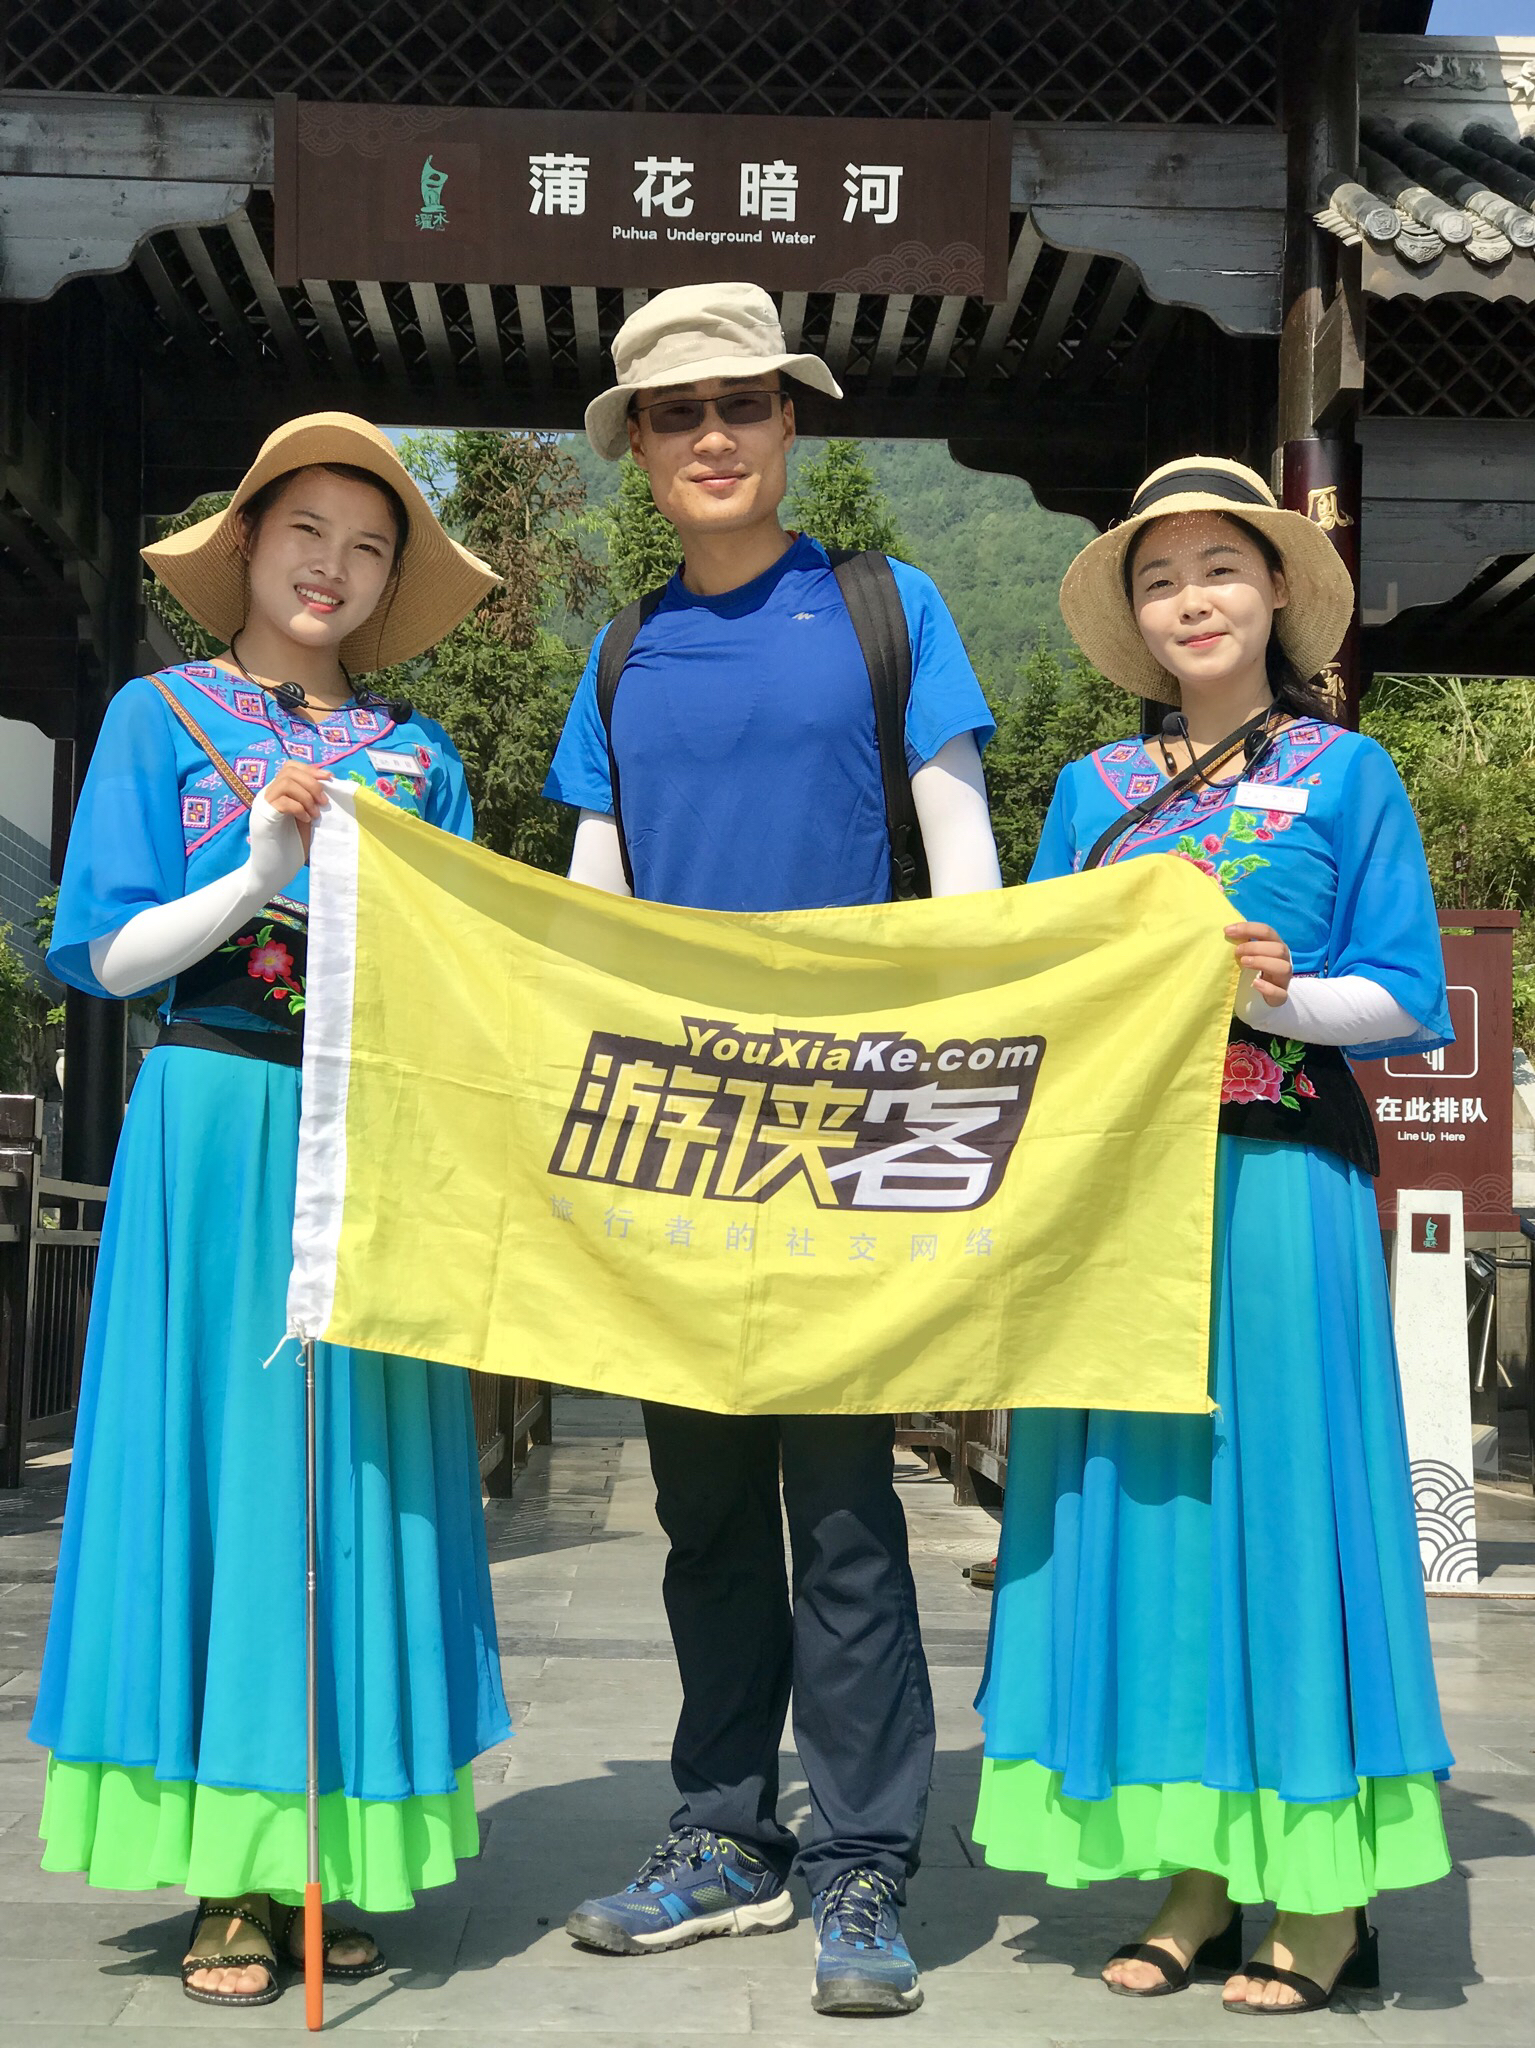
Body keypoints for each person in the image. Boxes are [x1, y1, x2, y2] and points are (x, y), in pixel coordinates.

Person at [545, 282, 1002, 2018]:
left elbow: (965, 877)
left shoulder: (889, 608)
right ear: (641, 452)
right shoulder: (621, 653)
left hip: (850, 1125)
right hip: (679, 1136)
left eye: (743, 403)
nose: (714, 436)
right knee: (706, 1511)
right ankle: (723, 1832)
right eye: (678, 414)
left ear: (791, 424)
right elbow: (592, 912)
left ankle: (864, 1856)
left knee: (849, 1507)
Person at [31, 414, 511, 2011]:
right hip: (214, 1120)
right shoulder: (158, 716)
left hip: (368, 1137)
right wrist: (254, 874)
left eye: (368, 547)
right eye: (305, 529)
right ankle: (230, 1875)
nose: (332, 566)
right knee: (224, 1471)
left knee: (351, 1478)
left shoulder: (422, 758)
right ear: (246, 541)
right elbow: (108, 956)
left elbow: (467, 975)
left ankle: (337, 1849)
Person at [973, 456, 1454, 2015]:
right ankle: (1191, 1869)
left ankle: (1319, 1895)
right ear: (1134, 612)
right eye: (1161, 576)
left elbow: (1408, 995)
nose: (1193, 599)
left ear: (1278, 593)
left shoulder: (1347, 775)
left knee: (1286, 1506)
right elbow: (1035, 985)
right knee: (1159, 1515)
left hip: (1280, 1188)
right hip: (1126, 1199)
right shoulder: (1092, 793)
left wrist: (1275, 995)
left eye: (1221, 569)